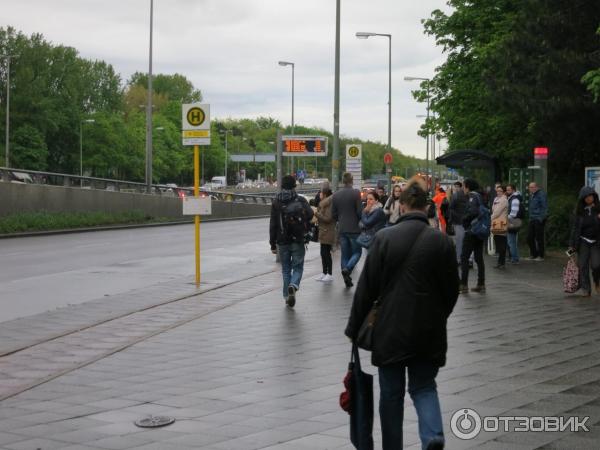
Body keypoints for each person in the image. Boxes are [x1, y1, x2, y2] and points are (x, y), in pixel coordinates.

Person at [345, 177, 459, 450]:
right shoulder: (442, 242)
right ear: (426, 207)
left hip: (390, 329)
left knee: (391, 394)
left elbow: (366, 289)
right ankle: (432, 437)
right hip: (428, 329)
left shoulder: (384, 239)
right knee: (424, 387)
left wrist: (354, 328)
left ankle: (392, 446)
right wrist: (438, 315)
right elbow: (451, 291)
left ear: (402, 205)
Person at [269, 175, 314, 307]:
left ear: (282, 185)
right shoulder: (299, 199)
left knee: (286, 269)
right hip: (298, 239)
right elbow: (311, 214)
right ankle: (294, 285)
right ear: (294, 186)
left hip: (282, 240)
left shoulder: (276, 202)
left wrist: (272, 244)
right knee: (298, 267)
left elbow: (273, 224)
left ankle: (286, 296)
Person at [332, 172, 363, 287]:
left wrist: (340, 219)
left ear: (342, 181)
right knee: (357, 252)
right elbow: (360, 212)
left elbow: (333, 214)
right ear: (352, 180)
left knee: (344, 254)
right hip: (354, 229)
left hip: (342, 229)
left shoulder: (336, 195)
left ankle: (346, 278)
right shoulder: (356, 193)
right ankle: (348, 269)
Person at [568, 186, 600, 297]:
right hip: (583, 242)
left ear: (594, 197)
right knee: (582, 266)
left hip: (596, 242)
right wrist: (571, 245)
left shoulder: (598, 209)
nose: (588, 198)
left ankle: (597, 281)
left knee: (596, 265)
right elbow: (574, 229)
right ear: (582, 199)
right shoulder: (579, 212)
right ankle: (586, 289)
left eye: (590, 196)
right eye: (586, 197)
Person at [459, 178, 486, 294]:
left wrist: (464, 220)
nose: (462, 189)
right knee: (479, 258)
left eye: (463, 186)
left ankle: (463, 285)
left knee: (464, 257)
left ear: (467, 187)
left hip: (472, 231)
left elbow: (473, 212)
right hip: (480, 231)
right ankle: (481, 284)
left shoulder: (472, 197)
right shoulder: (481, 196)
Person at [314, 186, 336, 282]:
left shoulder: (329, 204)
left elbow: (328, 218)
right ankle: (324, 272)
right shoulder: (324, 204)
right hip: (323, 231)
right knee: (323, 253)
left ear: (325, 194)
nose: (319, 194)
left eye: (321, 193)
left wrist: (316, 214)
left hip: (328, 231)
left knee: (326, 253)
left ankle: (329, 274)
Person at [527, 182, 548, 261]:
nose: (531, 189)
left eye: (532, 187)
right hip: (532, 218)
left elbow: (544, 207)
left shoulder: (541, 194)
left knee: (539, 238)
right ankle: (534, 254)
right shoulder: (532, 195)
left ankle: (540, 255)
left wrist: (541, 218)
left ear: (536, 187)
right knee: (529, 238)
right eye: (530, 187)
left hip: (538, 218)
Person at [449, 181, 468, 265]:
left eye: (457, 186)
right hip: (464, 221)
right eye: (455, 186)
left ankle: (460, 259)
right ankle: (463, 259)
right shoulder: (457, 195)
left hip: (461, 222)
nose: (456, 188)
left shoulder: (456, 195)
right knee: (463, 240)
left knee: (461, 240)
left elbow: (451, 209)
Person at [491, 185, 509, 269]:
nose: (498, 192)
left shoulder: (504, 200)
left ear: (504, 192)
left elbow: (497, 212)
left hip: (501, 222)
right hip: (495, 222)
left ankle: (502, 263)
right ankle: (499, 262)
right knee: (497, 241)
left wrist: (490, 218)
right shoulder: (496, 199)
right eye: (497, 191)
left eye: (500, 191)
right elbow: (494, 210)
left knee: (502, 242)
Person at [506, 184, 523, 264]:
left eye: (509, 190)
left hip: (513, 221)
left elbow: (513, 213)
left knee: (511, 241)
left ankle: (515, 258)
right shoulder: (514, 198)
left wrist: (506, 218)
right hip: (515, 221)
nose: (507, 191)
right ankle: (514, 258)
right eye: (507, 190)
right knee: (512, 240)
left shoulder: (514, 199)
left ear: (513, 190)